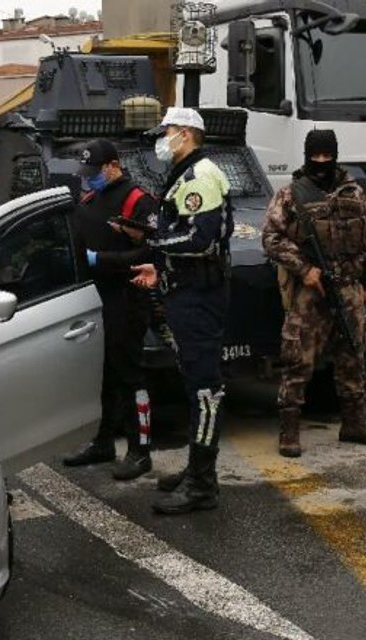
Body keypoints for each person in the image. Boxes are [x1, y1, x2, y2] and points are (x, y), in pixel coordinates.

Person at [130, 107, 234, 515]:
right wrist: (158, 266)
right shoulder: (182, 175)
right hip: (185, 290)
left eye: (169, 130)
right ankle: (195, 468)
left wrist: (152, 245)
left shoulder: (200, 176)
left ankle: (203, 485)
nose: (164, 137)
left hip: (200, 296)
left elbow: (199, 238)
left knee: (206, 390)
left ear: (187, 133)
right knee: (194, 386)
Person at [261, 129, 366, 457]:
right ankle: (289, 430)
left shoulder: (354, 194)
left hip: (348, 289)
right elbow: (272, 238)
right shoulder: (291, 195)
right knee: (297, 359)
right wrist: (303, 268)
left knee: (353, 356)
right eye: (315, 156)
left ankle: (354, 423)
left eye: (326, 156)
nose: (321, 162)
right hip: (311, 291)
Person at [62, 140, 159, 481]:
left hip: (128, 299)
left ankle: (140, 450)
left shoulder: (138, 201)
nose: (89, 180)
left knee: (131, 374)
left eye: (94, 172)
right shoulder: (90, 200)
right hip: (95, 299)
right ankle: (103, 442)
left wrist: (99, 260)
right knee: (104, 374)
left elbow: (150, 254)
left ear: (113, 165)